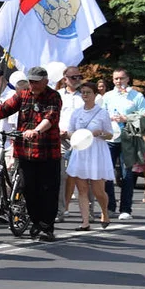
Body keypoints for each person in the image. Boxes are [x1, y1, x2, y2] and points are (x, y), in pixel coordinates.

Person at [0, 66, 63, 242]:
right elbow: (4, 108)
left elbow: (50, 118)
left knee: (47, 191)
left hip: (47, 152)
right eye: (31, 81)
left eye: (37, 82)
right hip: (25, 151)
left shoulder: (53, 96)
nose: (33, 85)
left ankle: (46, 226)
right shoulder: (22, 94)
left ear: (45, 81)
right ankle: (35, 222)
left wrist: (36, 131)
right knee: (28, 188)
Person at [65, 82, 113, 230]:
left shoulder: (102, 113)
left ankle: (105, 211)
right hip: (81, 151)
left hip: (96, 152)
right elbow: (69, 132)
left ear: (95, 95)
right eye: (83, 92)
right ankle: (85, 222)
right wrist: (79, 135)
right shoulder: (77, 113)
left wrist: (100, 133)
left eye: (88, 92)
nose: (85, 95)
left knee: (98, 191)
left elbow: (110, 134)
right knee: (82, 189)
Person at [101, 68, 145, 220]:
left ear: (128, 79)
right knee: (107, 174)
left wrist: (126, 118)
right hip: (110, 139)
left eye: (121, 78)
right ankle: (110, 207)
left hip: (128, 138)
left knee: (127, 175)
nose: (118, 81)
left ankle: (126, 209)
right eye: (116, 79)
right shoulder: (108, 96)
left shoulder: (136, 96)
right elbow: (101, 114)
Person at [57, 66, 85, 221]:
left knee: (83, 176)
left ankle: (87, 212)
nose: (77, 80)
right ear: (65, 79)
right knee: (61, 176)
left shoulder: (85, 95)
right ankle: (60, 211)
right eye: (73, 77)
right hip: (61, 138)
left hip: (81, 139)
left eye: (79, 77)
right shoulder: (59, 95)